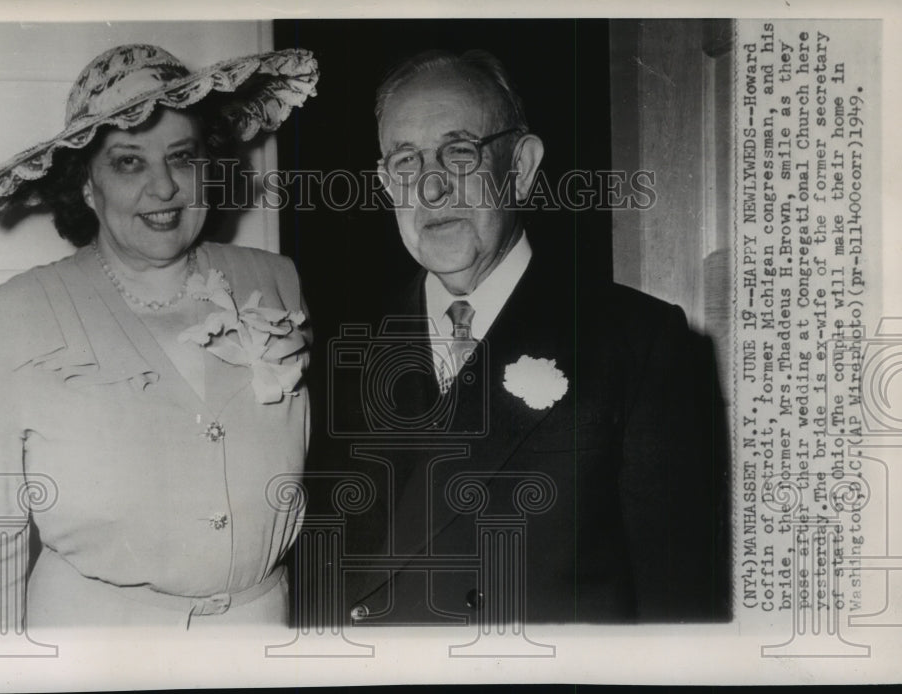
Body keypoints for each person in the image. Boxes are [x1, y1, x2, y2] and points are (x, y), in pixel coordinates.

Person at [301, 49, 729, 625]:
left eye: (458, 152)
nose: (429, 189)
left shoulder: (637, 342)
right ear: (384, 183)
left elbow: (676, 608)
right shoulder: (340, 352)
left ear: (521, 167)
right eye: (405, 161)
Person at [0, 43, 318, 629]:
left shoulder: (275, 279)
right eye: (128, 162)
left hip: (259, 635)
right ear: (87, 186)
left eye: (182, 156)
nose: (165, 187)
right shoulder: (13, 314)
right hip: (95, 643)